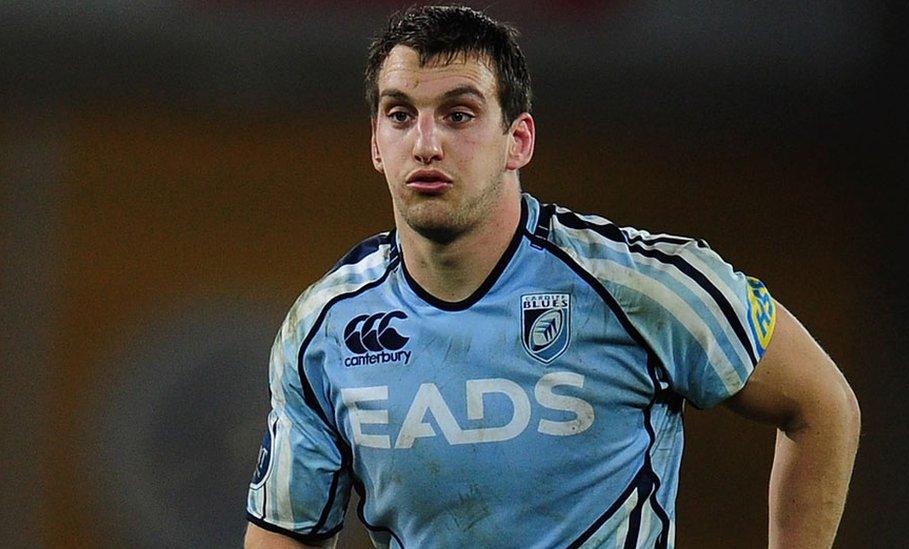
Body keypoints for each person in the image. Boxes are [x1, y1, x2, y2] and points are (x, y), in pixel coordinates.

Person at [243, 5, 860, 548]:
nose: (426, 143)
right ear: (377, 145)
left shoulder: (640, 285)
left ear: (518, 140)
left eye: (459, 114)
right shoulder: (324, 329)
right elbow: (284, 534)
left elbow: (822, 405)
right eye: (400, 115)